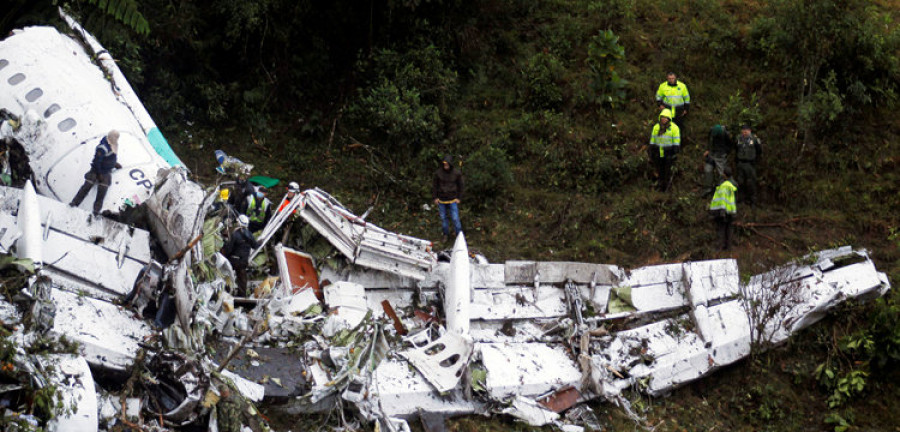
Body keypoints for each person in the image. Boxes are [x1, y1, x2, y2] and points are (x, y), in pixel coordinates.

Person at [70, 130, 122, 214]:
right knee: (86, 187)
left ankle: (96, 210)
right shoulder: (102, 148)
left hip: (106, 171)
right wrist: (99, 174)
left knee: (102, 191)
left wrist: (114, 164)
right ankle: (74, 203)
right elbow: (97, 161)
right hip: (97, 171)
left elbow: (110, 157)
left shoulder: (114, 145)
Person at [221, 215, 259, 296]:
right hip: (243, 261)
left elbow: (229, 249)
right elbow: (255, 246)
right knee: (242, 278)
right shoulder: (250, 235)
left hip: (234, 260)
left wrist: (225, 255)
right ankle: (242, 295)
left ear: (238, 223)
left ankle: (226, 292)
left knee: (226, 274)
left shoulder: (235, 234)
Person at [648, 109, 681, 192]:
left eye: (666, 118)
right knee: (660, 170)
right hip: (658, 152)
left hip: (668, 152)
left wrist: (675, 151)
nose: (664, 119)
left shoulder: (674, 128)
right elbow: (653, 139)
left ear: (669, 119)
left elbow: (676, 140)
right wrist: (651, 148)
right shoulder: (656, 127)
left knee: (667, 171)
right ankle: (660, 185)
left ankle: (666, 187)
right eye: (662, 117)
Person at [432, 155, 464, 241]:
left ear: (450, 164)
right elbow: (435, 186)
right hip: (441, 200)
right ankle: (445, 234)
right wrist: (435, 197)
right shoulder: (438, 173)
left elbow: (461, 186)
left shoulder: (456, 173)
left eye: (447, 164)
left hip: (453, 199)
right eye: (444, 164)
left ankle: (459, 236)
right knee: (443, 219)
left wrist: (459, 198)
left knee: (455, 218)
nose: (445, 166)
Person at [709, 167, 737, 251]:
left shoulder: (723, 186)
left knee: (721, 230)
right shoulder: (734, 185)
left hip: (724, 212)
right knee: (729, 229)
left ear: (724, 175)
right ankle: (729, 248)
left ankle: (719, 248)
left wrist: (722, 212)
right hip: (732, 211)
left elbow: (723, 200)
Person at [735, 124, 763, 206]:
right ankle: (741, 199)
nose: (745, 132)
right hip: (740, 163)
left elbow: (759, 150)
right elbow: (736, 148)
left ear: (750, 131)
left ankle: (753, 200)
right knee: (740, 181)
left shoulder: (754, 139)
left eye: (746, 130)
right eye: (743, 130)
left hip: (750, 163)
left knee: (751, 182)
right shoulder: (738, 139)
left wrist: (753, 158)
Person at [704, 124, 733, 197]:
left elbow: (730, 144)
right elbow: (709, 140)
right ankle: (708, 188)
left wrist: (725, 152)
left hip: (721, 155)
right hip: (711, 153)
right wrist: (708, 149)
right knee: (707, 170)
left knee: (722, 173)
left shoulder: (725, 133)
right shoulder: (711, 130)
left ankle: (721, 189)